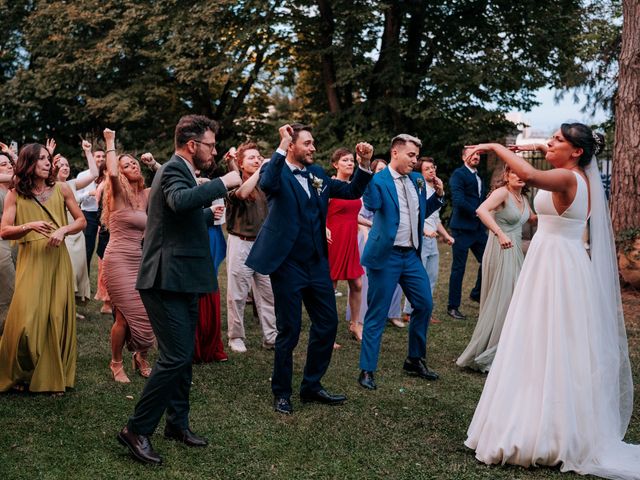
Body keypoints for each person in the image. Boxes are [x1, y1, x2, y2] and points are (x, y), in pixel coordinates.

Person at [464, 123, 640, 479]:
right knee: (544, 338)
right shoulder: (576, 177)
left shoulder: (568, 179)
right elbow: (534, 156)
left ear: (576, 152)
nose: (550, 142)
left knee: (552, 339)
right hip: (558, 259)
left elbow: (526, 172)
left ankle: (549, 429)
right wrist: (524, 143)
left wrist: (494, 145)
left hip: (556, 265)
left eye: (559, 140)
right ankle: (545, 416)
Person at [116, 115, 241, 465]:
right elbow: (177, 201)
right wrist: (222, 184)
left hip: (182, 277)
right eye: (210, 145)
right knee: (174, 357)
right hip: (164, 278)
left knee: (182, 356)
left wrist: (207, 215)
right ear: (191, 145)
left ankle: (177, 424)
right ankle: (136, 429)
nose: (213, 150)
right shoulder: (172, 169)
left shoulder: (181, 171)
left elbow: (176, 217)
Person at [246, 123, 373, 415]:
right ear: (291, 145)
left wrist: (364, 164)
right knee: (289, 330)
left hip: (317, 262)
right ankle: (282, 392)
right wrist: (279, 145)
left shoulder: (317, 175)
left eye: (313, 143)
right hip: (287, 264)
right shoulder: (274, 172)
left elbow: (353, 190)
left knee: (327, 324)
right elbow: (267, 184)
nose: (313, 148)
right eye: (307, 143)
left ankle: (312, 385)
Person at [357, 134, 444, 391]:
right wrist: (364, 165)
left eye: (417, 156)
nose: (415, 161)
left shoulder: (417, 180)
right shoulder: (380, 180)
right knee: (377, 312)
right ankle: (367, 369)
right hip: (386, 256)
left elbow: (420, 213)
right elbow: (371, 204)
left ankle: (414, 360)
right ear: (395, 153)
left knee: (424, 305)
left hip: (410, 255)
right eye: (411, 155)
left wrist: (437, 196)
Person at [0, 143, 86, 393]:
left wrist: (63, 229)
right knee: (25, 322)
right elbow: (4, 230)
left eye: (48, 158)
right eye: (41, 159)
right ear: (28, 162)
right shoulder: (16, 194)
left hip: (57, 259)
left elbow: (81, 221)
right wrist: (29, 226)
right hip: (31, 260)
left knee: (55, 318)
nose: (48, 162)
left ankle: (52, 378)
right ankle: (18, 370)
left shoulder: (61, 188)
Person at [456, 164, 534, 371]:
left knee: (516, 299)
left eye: (522, 172)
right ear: (506, 175)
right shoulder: (502, 193)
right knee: (503, 297)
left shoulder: (524, 199)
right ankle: (489, 351)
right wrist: (499, 233)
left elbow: (534, 219)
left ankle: (507, 349)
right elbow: (481, 210)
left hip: (516, 251)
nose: (518, 175)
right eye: (514, 172)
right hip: (500, 248)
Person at [101, 129, 155, 384]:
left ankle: (140, 356)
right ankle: (116, 362)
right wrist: (110, 142)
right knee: (124, 314)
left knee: (147, 311)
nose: (132, 164)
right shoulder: (119, 194)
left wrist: (154, 163)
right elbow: (111, 172)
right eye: (126, 164)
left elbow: (171, 182)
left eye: (134, 162)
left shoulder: (145, 195)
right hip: (118, 261)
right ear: (120, 173)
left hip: (139, 260)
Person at [224, 142, 277, 353]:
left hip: (263, 244)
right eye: (251, 158)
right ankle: (235, 337)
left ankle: (271, 337)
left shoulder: (266, 184)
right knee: (237, 294)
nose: (257, 160)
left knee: (268, 293)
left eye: (259, 157)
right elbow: (243, 193)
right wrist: (262, 168)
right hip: (241, 242)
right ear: (240, 163)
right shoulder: (234, 181)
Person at [402, 157, 454, 324]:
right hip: (421, 238)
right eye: (427, 169)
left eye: (433, 168)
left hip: (432, 240)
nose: (432, 171)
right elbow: (415, 215)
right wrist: (424, 230)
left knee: (432, 276)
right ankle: (409, 312)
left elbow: (436, 219)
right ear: (420, 173)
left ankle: (425, 311)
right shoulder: (417, 190)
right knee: (418, 278)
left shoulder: (435, 190)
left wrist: (446, 236)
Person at [326, 147, 365, 342]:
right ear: (335, 164)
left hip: (351, 238)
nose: (350, 163)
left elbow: (354, 214)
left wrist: (371, 224)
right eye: (345, 160)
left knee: (357, 283)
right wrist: (322, 228)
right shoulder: (330, 185)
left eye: (352, 160)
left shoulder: (354, 188)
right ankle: (327, 332)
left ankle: (355, 324)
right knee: (330, 286)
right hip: (333, 239)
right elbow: (317, 211)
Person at [53, 141, 99, 306]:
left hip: (77, 233)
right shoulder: (49, 187)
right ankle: (62, 307)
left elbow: (94, 174)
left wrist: (88, 152)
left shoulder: (72, 184)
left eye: (67, 165)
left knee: (78, 270)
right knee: (67, 273)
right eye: (61, 165)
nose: (65, 167)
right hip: (62, 234)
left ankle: (71, 308)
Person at [446, 148, 487, 320]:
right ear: (464, 157)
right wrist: (479, 212)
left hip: (478, 229)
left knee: (488, 260)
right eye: (472, 154)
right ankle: (452, 307)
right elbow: (458, 201)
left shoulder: (478, 177)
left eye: (478, 154)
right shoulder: (458, 174)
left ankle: (476, 294)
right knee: (458, 268)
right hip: (462, 229)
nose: (476, 156)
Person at [76, 147, 106, 274]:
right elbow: (76, 198)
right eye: (98, 156)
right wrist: (89, 193)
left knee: (106, 249)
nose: (101, 159)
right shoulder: (83, 176)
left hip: (106, 214)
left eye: (103, 156)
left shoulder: (108, 175)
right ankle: (85, 282)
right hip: (89, 214)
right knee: (88, 249)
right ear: (92, 158)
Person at [0, 150, 16, 333]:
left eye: (9, 162)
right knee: (8, 287)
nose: (9, 165)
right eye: (3, 163)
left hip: (17, 243)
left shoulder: (16, 187)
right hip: (1, 241)